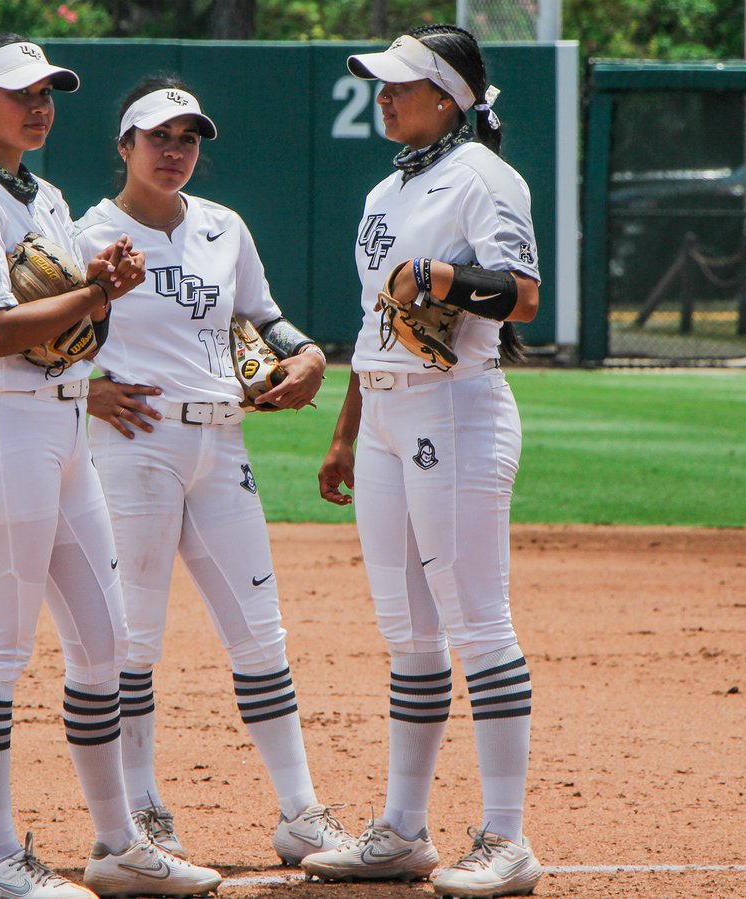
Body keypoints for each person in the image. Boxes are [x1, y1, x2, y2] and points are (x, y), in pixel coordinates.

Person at [0, 34, 222, 899]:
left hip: (60, 432)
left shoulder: (44, 193)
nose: (41, 104)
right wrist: (95, 294)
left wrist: (97, 277)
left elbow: (63, 318)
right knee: (0, 651)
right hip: (0, 427)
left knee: (107, 646)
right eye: (21, 92)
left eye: (50, 90)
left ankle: (118, 843)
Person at [73, 77, 350, 866]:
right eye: (159, 137)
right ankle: (140, 811)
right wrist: (84, 391)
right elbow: (32, 337)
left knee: (262, 635)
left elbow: (260, 315)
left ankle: (300, 812)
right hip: (135, 448)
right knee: (134, 640)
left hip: (222, 442)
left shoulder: (225, 227)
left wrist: (306, 352)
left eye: (188, 138)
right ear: (124, 146)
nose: (175, 151)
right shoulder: (85, 233)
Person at [304, 24, 544, 899]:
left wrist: (439, 277)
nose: (384, 93)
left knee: (478, 622)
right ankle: (403, 829)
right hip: (385, 420)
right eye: (382, 82)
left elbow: (523, 294)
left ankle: (507, 837)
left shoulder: (485, 177)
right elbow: (379, 323)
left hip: (457, 409)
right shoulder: (385, 191)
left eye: (402, 83)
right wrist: (344, 429)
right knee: (408, 635)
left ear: (449, 95)